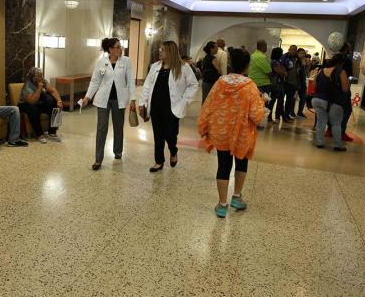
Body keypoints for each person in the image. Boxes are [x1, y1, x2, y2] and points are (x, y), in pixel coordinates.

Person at [198, 49, 266, 218]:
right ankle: (236, 196)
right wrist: (263, 101)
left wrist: (204, 126)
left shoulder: (220, 83)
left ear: (230, 64)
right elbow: (256, 116)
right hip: (242, 133)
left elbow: (208, 106)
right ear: (247, 66)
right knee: (241, 163)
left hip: (222, 132)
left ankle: (222, 205)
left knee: (223, 166)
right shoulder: (249, 86)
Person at [139, 41, 198, 172]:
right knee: (158, 134)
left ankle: (173, 150)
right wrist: (142, 103)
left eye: (163, 50)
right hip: (155, 106)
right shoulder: (155, 66)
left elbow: (193, 85)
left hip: (173, 106)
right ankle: (158, 161)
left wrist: (185, 100)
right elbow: (147, 85)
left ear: (170, 52)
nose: (159, 51)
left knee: (170, 134)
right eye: (160, 49)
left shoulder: (183, 67)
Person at [82, 38, 137, 170]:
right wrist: (87, 97)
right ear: (110, 50)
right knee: (101, 129)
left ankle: (118, 152)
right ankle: (98, 159)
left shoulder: (126, 61)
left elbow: (130, 80)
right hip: (103, 100)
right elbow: (95, 81)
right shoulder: (101, 62)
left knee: (118, 127)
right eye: (117, 47)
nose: (120, 49)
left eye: (120, 47)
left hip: (119, 99)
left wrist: (133, 99)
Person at [312, 54, 349, 151]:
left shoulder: (321, 70)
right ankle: (337, 145)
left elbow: (314, 85)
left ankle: (320, 143)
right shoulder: (341, 72)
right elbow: (345, 89)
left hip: (317, 99)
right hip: (334, 101)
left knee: (320, 122)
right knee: (336, 124)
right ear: (341, 63)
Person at [19, 67, 63, 143]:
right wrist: (39, 88)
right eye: (39, 76)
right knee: (34, 110)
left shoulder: (43, 81)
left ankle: (52, 131)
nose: (41, 77)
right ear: (33, 77)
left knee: (53, 103)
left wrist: (59, 101)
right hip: (26, 104)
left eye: (42, 75)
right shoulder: (28, 85)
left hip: (38, 103)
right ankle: (39, 134)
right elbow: (32, 101)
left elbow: (53, 90)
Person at [248, 40, 272, 120]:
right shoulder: (260, 56)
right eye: (265, 45)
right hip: (261, 84)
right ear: (261, 46)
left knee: (255, 104)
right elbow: (268, 71)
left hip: (255, 82)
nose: (266, 47)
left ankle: (256, 121)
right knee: (261, 104)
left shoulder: (253, 55)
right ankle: (257, 121)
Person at [281, 45, 300, 120]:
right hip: (286, 82)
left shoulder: (296, 58)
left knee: (290, 100)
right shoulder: (285, 57)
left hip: (293, 82)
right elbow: (282, 66)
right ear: (289, 49)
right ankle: (281, 115)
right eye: (292, 49)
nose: (293, 51)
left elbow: (298, 70)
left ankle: (286, 115)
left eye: (295, 50)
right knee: (282, 99)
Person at [269, 47, 287, 123]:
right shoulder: (275, 62)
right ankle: (272, 116)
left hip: (278, 83)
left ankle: (279, 116)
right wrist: (283, 72)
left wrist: (283, 72)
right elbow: (281, 72)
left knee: (278, 100)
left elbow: (283, 72)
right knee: (275, 100)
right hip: (276, 83)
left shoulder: (277, 62)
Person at [296, 48, 309, 118]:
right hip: (296, 82)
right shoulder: (296, 61)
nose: (302, 54)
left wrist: (307, 65)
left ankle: (300, 112)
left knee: (303, 98)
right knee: (293, 99)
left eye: (303, 53)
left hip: (303, 83)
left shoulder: (305, 62)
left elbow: (307, 73)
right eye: (301, 53)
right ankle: (291, 112)